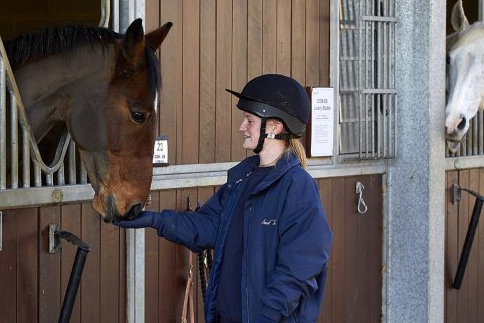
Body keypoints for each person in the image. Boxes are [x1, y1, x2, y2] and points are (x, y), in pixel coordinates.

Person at [114, 74, 333, 323]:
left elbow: (302, 265)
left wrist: (268, 315)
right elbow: (209, 227)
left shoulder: (296, 186)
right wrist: (155, 220)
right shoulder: (242, 179)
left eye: (249, 120)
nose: (242, 127)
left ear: (274, 127)